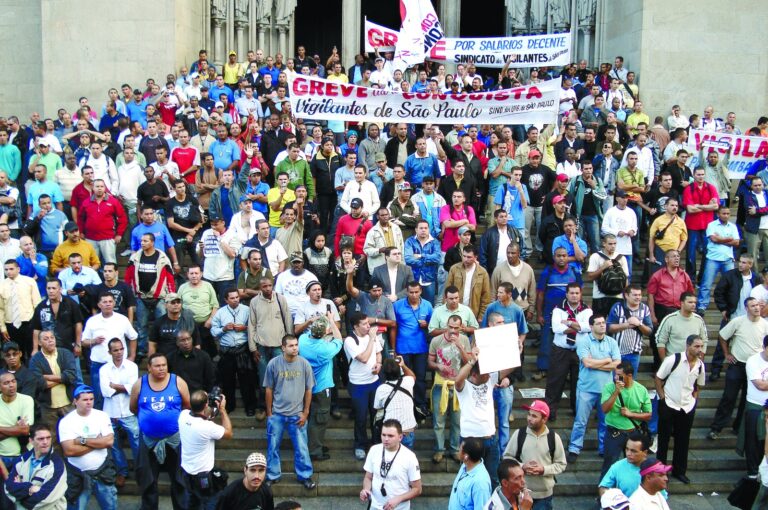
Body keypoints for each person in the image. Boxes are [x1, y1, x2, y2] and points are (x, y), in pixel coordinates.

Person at [129, 353, 191, 510]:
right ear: (149, 367)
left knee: (179, 480)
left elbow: (187, 405)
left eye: (164, 365)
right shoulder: (139, 384)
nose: (161, 368)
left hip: (174, 439)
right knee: (148, 480)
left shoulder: (177, 381)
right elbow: (133, 408)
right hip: (149, 439)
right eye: (157, 366)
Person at [709, 297, 768, 441]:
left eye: (758, 305)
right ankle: (716, 428)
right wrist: (726, 354)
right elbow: (722, 336)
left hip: (755, 368)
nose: (756, 308)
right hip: (737, 364)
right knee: (729, 397)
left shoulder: (765, 324)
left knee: (745, 400)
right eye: (752, 306)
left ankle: (738, 428)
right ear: (746, 308)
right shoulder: (738, 321)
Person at [263, 334, 316, 489]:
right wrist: (269, 413)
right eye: (291, 345)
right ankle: (272, 475)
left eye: (296, 345)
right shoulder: (273, 364)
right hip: (277, 414)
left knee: (301, 447)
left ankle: (305, 475)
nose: (295, 348)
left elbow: (309, 390)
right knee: (272, 447)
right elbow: (268, 389)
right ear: (283, 348)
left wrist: (306, 412)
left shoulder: (304, 364)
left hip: (297, 414)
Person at [567, 314, 621, 464]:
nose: (603, 325)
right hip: (586, 388)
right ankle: (574, 448)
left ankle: (603, 448)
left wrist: (597, 362)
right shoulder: (584, 342)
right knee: (580, 421)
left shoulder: (612, 342)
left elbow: (617, 364)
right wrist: (607, 360)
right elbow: (587, 363)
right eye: (598, 323)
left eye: (603, 323)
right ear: (591, 327)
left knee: (605, 422)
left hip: (606, 389)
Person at [654, 334, 705, 485]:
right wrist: (662, 398)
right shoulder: (673, 359)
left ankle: (679, 471)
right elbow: (658, 378)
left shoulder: (700, 365)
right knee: (663, 440)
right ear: (688, 346)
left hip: (687, 406)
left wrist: (694, 399)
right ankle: (661, 470)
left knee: (683, 440)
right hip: (669, 403)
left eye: (701, 346)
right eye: (696, 346)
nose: (699, 350)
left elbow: (699, 385)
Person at [59, 384, 118, 510]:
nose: (89, 402)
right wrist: (97, 442)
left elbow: (109, 442)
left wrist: (82, 440)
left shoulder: (102, 416)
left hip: (103, 471)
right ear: (75, 401)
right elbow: (69, 450)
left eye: (91, 399)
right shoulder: (66, 421)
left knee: (110, 506)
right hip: (77, 474)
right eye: (85, 400)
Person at [454, 346, 506, 487]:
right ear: (475, 375)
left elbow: (509, 368)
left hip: (490, 439)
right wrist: (471, 361)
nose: (489, 376)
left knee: (494, 479)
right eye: (485, 374)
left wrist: (517, 351)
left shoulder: (489, 380)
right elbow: (458, 380)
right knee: (469, 478)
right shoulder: (464, 387)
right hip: (470, 440)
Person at [502, 400, 566, 509]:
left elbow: (561, 464)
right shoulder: (519, 434)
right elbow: (507, 458)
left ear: (544, 419)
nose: (529, 418)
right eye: (529, 414)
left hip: (544, 497)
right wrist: (522, 466)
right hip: (521, 493)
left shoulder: (554, 438)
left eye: (534, 416)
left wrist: (544, 470)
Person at [178, 389, 233, 510]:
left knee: (191, 504)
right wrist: (222, 410)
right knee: (211, 503)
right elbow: (228, 433)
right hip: (203, 477)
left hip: (187, 472)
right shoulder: (207, 427)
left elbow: (203, 415)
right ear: (206, 404)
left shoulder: (183, 416)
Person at [298, 314, 343, 461]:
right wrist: (331, 321)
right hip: (322, 387)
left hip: (306, 386)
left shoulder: (303, 340)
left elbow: (309, 334)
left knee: (310, 416)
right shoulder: (325, 349)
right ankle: (315, 451)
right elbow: (339, 339)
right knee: (319, 420)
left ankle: (311, 445)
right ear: (325, 333)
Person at [125, 232, 177, 357]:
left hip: (160, 297)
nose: (142, 243)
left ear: (152, 242)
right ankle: (143, 349)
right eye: (141, 241)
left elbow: (170, 277)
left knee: (163, 324)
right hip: (141, 297)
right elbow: (128, 277)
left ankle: (162, 348)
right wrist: (129, 293)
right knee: (142, 326)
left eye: (145, 241)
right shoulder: (135, 257)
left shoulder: (162, 257)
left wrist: (171, 296)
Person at [428, 314, 471, 464]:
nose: (453, 331)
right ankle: (439, 450)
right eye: (450, 327)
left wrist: (460, 346)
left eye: (456, 328)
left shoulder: (465, 340)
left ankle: (454, 449)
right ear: (446, 325)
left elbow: (470, 363)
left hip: (459, 384)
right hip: (441, 383)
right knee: (438, 420)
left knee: (457, 421)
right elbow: (430, 361)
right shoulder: (436, 340)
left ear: (461, 327)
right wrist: (438, 365)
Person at [534, 247, 582, 381]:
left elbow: (580, 292)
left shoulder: (574, 271)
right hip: (549, 312)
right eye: (558, 256)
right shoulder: (547, 272)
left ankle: (566, 371)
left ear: (568, 257)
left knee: (568, 341)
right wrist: (539, 314)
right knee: (546, 341)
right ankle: (543, 369)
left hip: (569, 314)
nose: (561, 258)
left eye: (564, 255)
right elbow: (540, 294)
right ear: (554, 257)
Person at [545, 283, 592, 421]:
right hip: (561, 350)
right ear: (566, 294)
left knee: (578, 383)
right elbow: (556, 329)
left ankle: (577, 411)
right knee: (555, 382)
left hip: (580, 351)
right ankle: (550, 413)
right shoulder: (558, 309)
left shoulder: (587, 310)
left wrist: (569, 323)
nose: (574, 296)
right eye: (571, 293)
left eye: (577, 293)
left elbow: (588, 327)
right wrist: (579, 326)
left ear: (581, 294)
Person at [98, 338, 139, 488]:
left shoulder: (132, 367)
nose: (119, 352)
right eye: (115, 350)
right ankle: (122, 471)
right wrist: (124, 388)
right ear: (109, 352)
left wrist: (114, 386)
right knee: (114, 446)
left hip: (129, 412)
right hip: (111, 413)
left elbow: (133, 389)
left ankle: (140, 470)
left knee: (137, 443)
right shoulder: (104, 369)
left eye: (121, 349)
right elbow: (106, 392)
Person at [713, 254, 761, 380]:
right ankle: (715, 370)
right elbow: (718, 292)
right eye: (740, 261)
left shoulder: (756, 278)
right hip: (732, 316)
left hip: (748, 318)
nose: (740, 264)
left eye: (744, 262)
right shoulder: (729, 275)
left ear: (750, 265)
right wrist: (723, 309)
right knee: (721, 343)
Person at [359, 419, 422, 510]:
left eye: (390, 436)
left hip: (399, 508)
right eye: (383, 435)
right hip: (375, 505)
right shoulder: (374, 450)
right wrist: (366, 490)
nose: (386, 439)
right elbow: (368, 477)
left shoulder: (409, 457)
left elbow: (417, 489)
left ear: (400, 437)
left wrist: (399, 499)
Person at [344, 312, 383, 460]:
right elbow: (364, 358)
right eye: (365, 324)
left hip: (374, 381)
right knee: (361, 416)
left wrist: (379, 364)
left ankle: (376, 443)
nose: (369, 326)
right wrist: (372, 338)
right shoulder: (350, 340)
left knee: (376, 415)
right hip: (358, 384)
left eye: (369, 323)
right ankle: (360, 444)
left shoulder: (370, 337)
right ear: (355, 326)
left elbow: (378, 353)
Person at [211, 288, 256, 416]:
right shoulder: (220, 313)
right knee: (227, 381)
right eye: (232, 298)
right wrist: (223, 329)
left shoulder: (247, 310)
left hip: (243, 349)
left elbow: (256, 326)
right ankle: (229, 405)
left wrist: (245, 328)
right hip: (227, 351)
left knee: (247, 381)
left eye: (237, 297)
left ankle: (250, 406)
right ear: (226, 300)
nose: (236, 300)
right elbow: (213, 331)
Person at [646, 251, 695, 367]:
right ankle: (658, 365)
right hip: (661, 309)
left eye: (678, 256)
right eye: (673, 256)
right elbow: (650, 296)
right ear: (666, 259)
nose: (677, 258)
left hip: (679, 310)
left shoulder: (684, 275)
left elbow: (690, 293)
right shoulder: (657, 275)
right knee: (658, 338)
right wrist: (652, 314)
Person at [4, 423, 68, 509]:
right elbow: (8, 488)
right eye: (41, 439)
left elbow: (45, 499)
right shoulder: (21, 460)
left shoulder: (57, 465)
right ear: (31, 441)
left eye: (48, 438)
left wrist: (20, 492)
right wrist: (29, 488)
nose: (45, 442)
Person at [392, 282, 433, 417]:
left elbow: (432, 327)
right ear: (407, 292)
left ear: (421, 291)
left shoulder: (427, 305)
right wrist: (394, 349)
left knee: (420, 378)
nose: (414, 295)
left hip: (421, 348)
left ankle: (420, 405)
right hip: (403, 347)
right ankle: (406, 404)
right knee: (405, 378)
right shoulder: (397, 305)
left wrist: (426, 325)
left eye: (416, 292)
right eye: (411, 292)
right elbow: (394, 327)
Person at [697, 205, 740, 314]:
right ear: (718, 214)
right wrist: (729, 239)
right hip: (713, 259)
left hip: (728, 259)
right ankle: (702, 306)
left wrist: (720, 239)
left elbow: (736, 242)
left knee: (731, 284)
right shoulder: (712, 225)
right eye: (723, 213)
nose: (726, 216)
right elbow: (713, 239)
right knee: (706, 284)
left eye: (728, 214)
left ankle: (730, 305)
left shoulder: (733, 226)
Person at [77, 179, 128, 265]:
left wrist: (119, 234)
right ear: (93, 188)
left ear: (105, 188)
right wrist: (81, 232)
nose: (99, 188)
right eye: (97, 186)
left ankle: (112, 279)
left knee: (110, 263)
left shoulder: (113, 201)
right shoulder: (86, 202)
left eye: (102, 186)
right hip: (90, 239)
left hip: (108, 238)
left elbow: (122, 218)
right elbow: (80, 218)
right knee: (91, 264)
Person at [607, 285, 653, 376]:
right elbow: (609, 328)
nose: (638, 297)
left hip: (634, 353)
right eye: (635, 295)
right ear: (626, 295)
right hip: (616, 352)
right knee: (614, 381)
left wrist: (639, 324)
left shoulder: (645, 309)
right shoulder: (617, 307)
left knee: (630, 383)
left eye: (639, 295)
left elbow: (649, 331)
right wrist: (626, 325)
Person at [0, 260, 41, 360]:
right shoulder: (1, 285)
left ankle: (33, 375)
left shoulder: (29, 282)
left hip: (29, 323)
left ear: (18, 269)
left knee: (33, 352)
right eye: (6, 269)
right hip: (11, 325)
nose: (8, 272)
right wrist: (3, 327)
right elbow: (0, 309)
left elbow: (37, 304)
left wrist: (37, 325)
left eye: (11, 269)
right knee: (14, 354)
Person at [598, 431, 651, 499]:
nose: (628, 453)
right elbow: (603, 487)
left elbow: (662, 495)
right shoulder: (617, 466)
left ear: (645, 452)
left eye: (633, 451)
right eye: (627, 449)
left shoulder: (653, 469)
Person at [655, 292, 708, 359]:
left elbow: (704, 340)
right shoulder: (669, 319)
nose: (693, 305)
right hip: (674, 361)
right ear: (682, 303)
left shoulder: (699, 320)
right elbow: (660, 341)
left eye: (695, 302)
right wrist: (665, 362)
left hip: (693, 362)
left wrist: (700, 361)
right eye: (690, 302)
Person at [585, 234, 629, 316]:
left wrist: (626, 295)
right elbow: (590, 276)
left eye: (615, 244)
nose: (613, 246)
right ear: (604, 243)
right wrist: (603, 267)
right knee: (598, 322)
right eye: (610, 244)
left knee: (617, 323)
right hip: (599, 296)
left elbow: (625, 279)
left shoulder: (622, 258)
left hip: (618, 296)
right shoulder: (595, 256)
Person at [446, 244, 492, 320]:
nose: (465, 259)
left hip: (473, 313)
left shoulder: (482, 273)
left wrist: (481, 317)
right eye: (464, 256)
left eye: (469, 257)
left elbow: (486, 297)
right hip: (454, 311)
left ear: (475, 257)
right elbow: (447, 291)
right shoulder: (454, 269)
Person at [447, 437, 492, 510]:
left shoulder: (480, 483)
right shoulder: (465, 465)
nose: (458, 451)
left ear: (466, 456)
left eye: (460, 449)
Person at [167, 329, 216, 394]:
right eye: (182, 340)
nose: (186, 342)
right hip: (177, 394)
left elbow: (210, 378)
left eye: (188, 339)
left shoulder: (203, 356)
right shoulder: (170, 358)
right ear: (177, 343)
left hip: (198, 395)